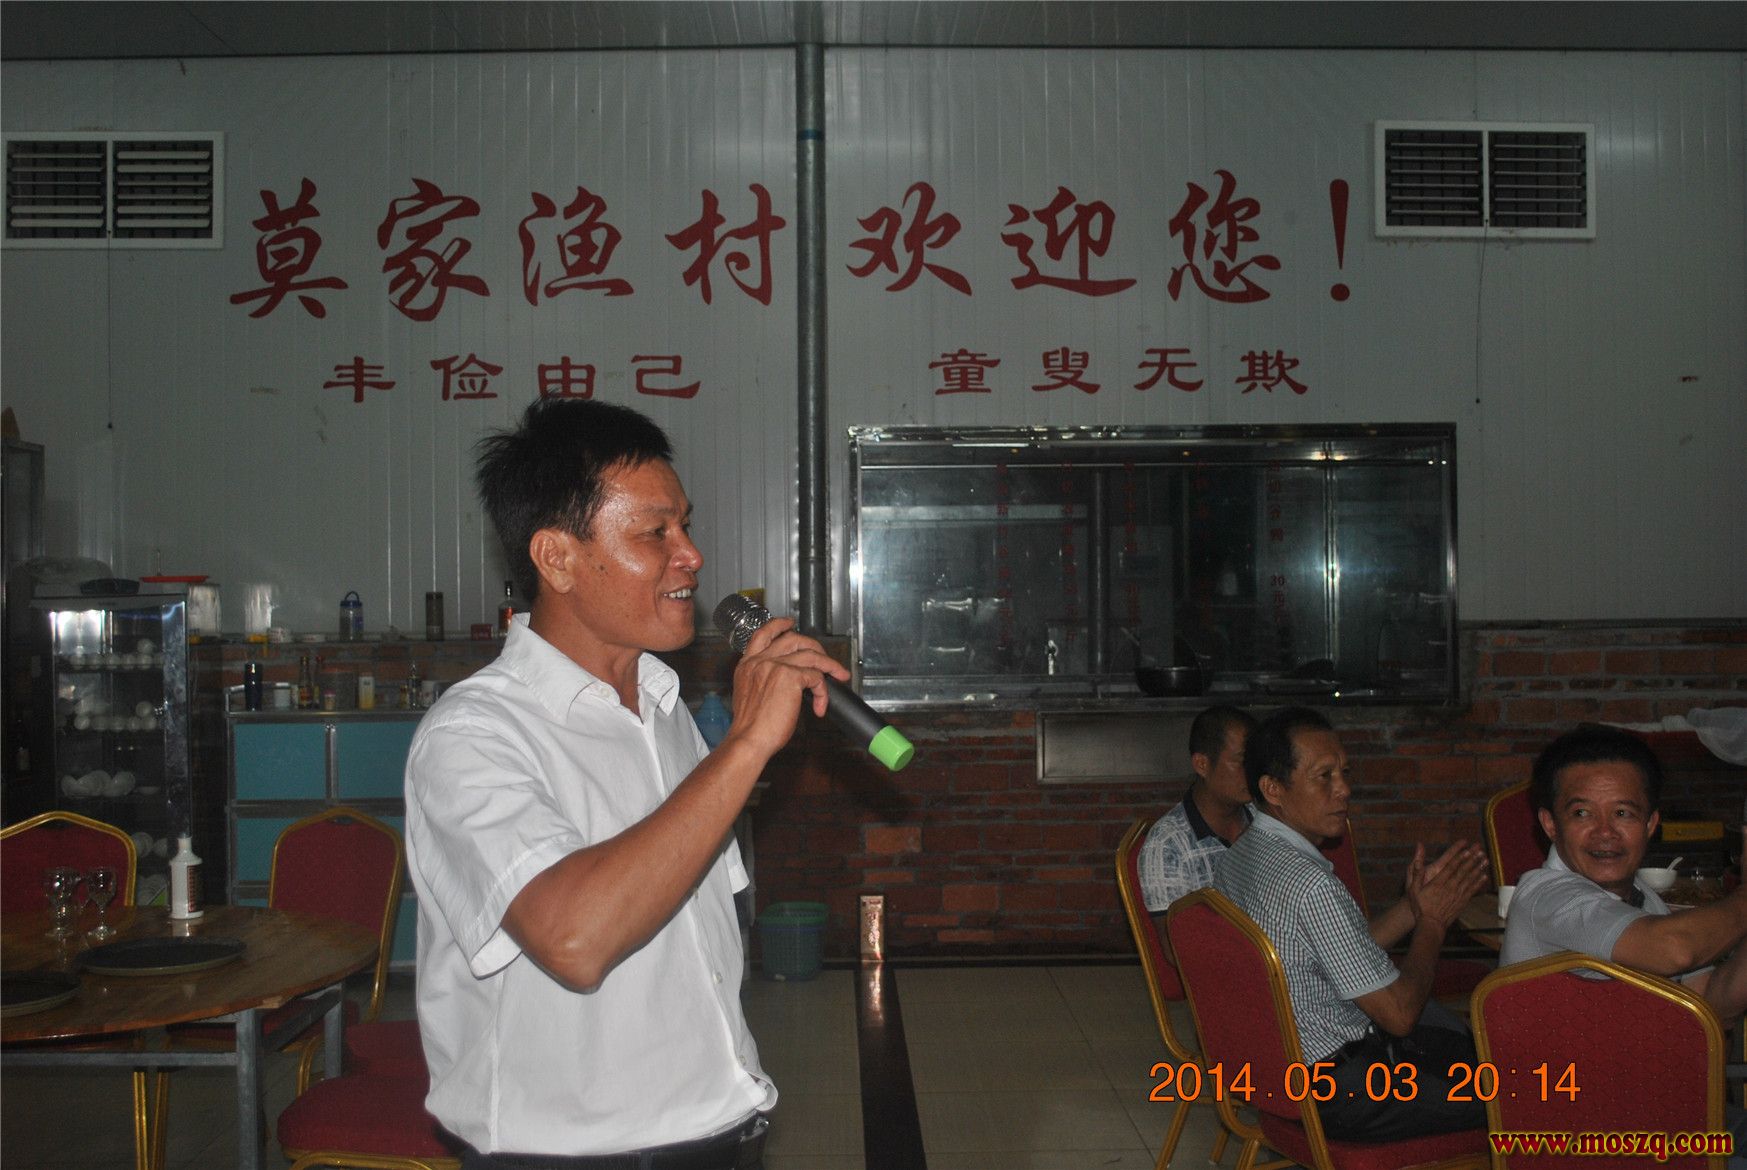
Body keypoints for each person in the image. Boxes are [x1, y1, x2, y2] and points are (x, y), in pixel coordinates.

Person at [404, 398, 848, 1168]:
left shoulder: (663, 707)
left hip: (718, 1132)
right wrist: (746, 745)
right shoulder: (473, 735)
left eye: (686, 526)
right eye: (654, 533)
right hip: (575, 1156)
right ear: (557, 558)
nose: (691, 556)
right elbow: (575, 939)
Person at [1213, 706, 1490, 1142]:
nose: (1344, 789)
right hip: (1344, 1091)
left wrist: (1413, 906)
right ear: (1273, 789)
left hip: (1274, 1070)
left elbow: (1342, 952)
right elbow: (1399, 1015)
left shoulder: (1242, 855)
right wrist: (1433, 924)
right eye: (1324, 776)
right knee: (1527, 1092)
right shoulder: (1309, 884)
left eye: (1344, 772)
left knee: (1471, 1041)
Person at [1501, 724, 1747, 1021]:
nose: (1605, 832)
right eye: (1582, 813)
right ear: (1551, 825)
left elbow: (1709, 999)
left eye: (1622, 813)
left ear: (1650, 824)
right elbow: (1675, 949)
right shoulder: (1550, 899)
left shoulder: (1643, 897)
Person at [1137, 705, 1257, 919]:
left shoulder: (1263, 817)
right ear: (1202, 765)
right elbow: (1177, 938)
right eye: (1241, 761)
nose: (1254, 772)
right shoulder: (1169, 845)